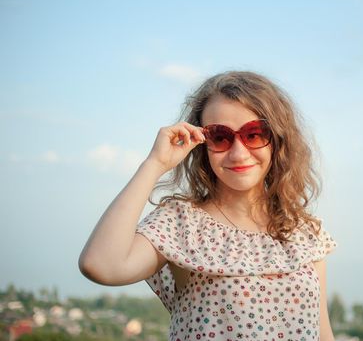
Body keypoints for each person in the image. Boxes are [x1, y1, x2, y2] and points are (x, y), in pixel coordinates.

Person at [79, 70, 338, 340]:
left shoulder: (305, 232)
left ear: (278, 138)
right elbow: (101, 265)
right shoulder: (182, 223)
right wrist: (154, 164)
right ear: (203, 144)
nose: (238, 153)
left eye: (254, 134)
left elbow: (321, 332)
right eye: (220, 136)